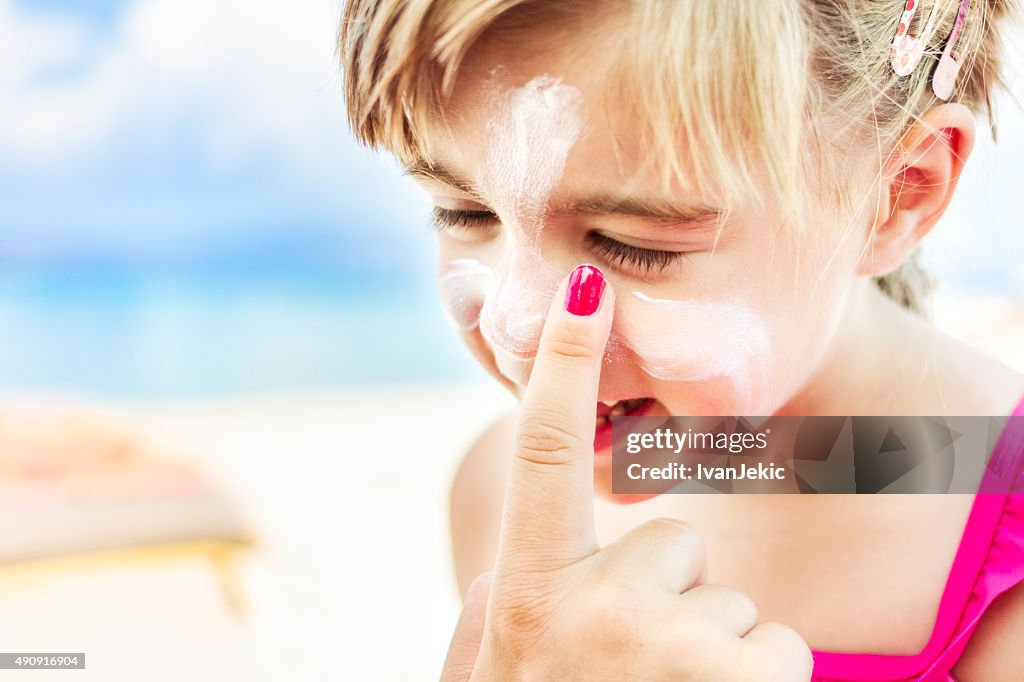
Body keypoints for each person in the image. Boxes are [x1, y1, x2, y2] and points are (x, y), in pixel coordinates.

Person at [339, 0, 1024, 679]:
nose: (516, 328)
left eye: (632, 244)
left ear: (898, 193)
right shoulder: (502, 492)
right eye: (463, 211)